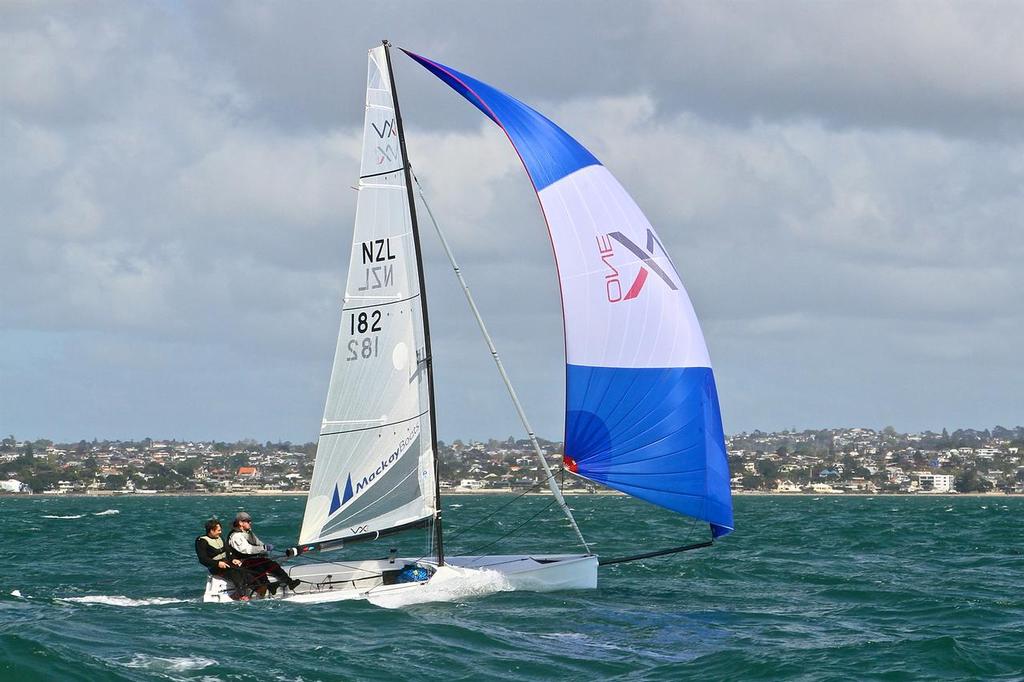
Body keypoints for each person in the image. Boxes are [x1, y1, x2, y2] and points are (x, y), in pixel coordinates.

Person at [227, 511, 300, 593]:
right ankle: (269, 586)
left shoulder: (248, 533)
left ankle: (290, 582)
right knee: (258, 567)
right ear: (240, 523)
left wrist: (265, 549)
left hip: (254, 559)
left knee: (273, 564)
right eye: (247, 521)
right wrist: (263, 548)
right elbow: (247, 549)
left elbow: (258, 543)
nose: (250, 523)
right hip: (243, 562)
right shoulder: (235, 536)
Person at [195, 518, 251, 601]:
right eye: (218, 530)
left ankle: (248, 590)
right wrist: (217, 563)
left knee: (244, 570)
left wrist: (233, 559)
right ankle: (241, 595)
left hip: (227, 563)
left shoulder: (219, 537)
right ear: (211, 531)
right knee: (235, 573)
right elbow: (202, 559)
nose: (220, 532)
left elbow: (228, 553)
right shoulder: (201, 541)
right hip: (215, 567)